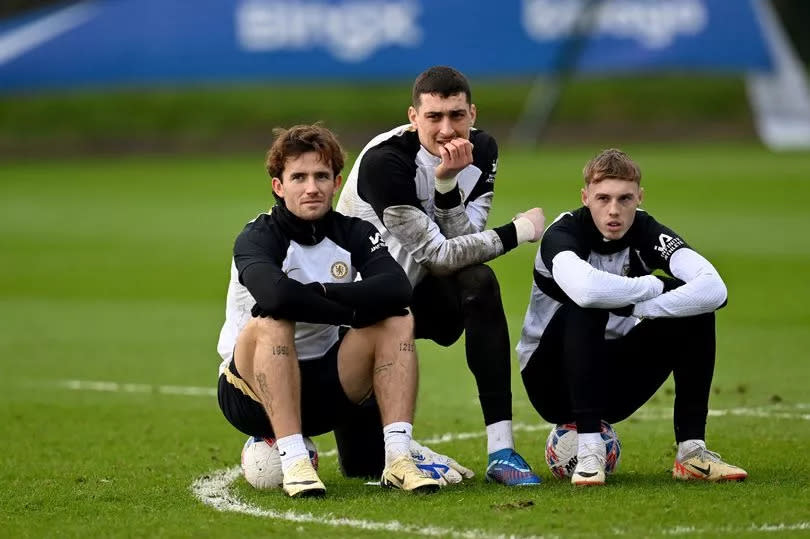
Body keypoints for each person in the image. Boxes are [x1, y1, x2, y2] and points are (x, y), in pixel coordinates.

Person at [216, 124, 469, 498]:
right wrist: (350, 309)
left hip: (326, 391)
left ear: (337, 183)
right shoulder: (257, 236)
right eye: (298, 177)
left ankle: (399, 458)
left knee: (398, 318)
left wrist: (319, 293)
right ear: (278, 187)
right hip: (251, 395)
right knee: (273, 321)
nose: (311, 187)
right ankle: (295, 461)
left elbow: (396, 288)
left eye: (321, 176)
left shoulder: (353, 232)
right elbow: (275, 298)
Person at [336, 66, 546, 485]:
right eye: (434, 117)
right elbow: (437, 255)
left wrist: (447, 186)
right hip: (363, 316)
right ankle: (409, 450)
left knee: (479, 282)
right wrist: (520, 231)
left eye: (456, 115)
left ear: (473, 113)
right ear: (414, 118)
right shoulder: (385, 163)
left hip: (426, 295)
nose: (447, 129)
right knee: (361, 467)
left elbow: (462, 246)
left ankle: (502, 451)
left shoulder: (482, 149)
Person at [517, 148, 748, 486]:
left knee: (697, 311)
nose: (614, 210)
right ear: (585, 197)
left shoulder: (647, 230)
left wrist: (641, 307)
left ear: (639, 197)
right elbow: (588, 292)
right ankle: (590, 451)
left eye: (625, 199)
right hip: (549, 380)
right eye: (603, 198)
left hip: (614, 381)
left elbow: (714, 290)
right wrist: (655, 285)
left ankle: (692, 452)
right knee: (587, 305)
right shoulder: (563, 234)